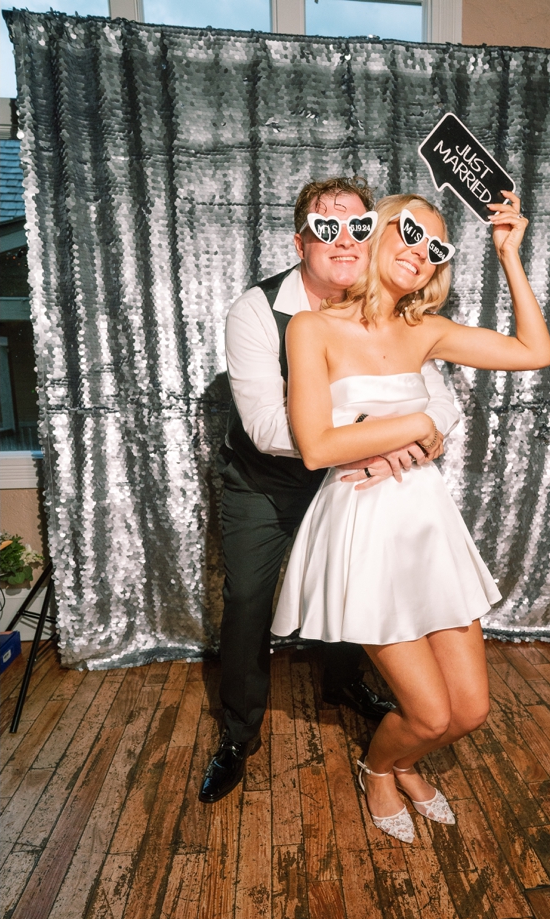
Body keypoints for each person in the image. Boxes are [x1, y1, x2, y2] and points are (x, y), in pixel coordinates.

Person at [271, 190, 550, 842]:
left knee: (471, 709)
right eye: (408, 231)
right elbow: (317, 447)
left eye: (436, 247)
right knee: (428, 713)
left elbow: (536, 353)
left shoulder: (426, 331)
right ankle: (381, 767)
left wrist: (509, 253)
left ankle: (401, 762)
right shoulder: (311, 328)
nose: (420, 251)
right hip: (366, 528)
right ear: (374, 234)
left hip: (427, 523)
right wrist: (420, 423)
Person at [200, 176, 465, 805]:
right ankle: (238, 735)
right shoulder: (256, 310)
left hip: (353, 481)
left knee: (361, 585)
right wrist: (380, 435)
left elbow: (441, 403)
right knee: (246, 602)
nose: (344, 241)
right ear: (301, 241)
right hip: (266, 482)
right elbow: (268, 428)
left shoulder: (389, 303)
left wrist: (425, 437)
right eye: (326, 228)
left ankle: (343, 682)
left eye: (359, 227)